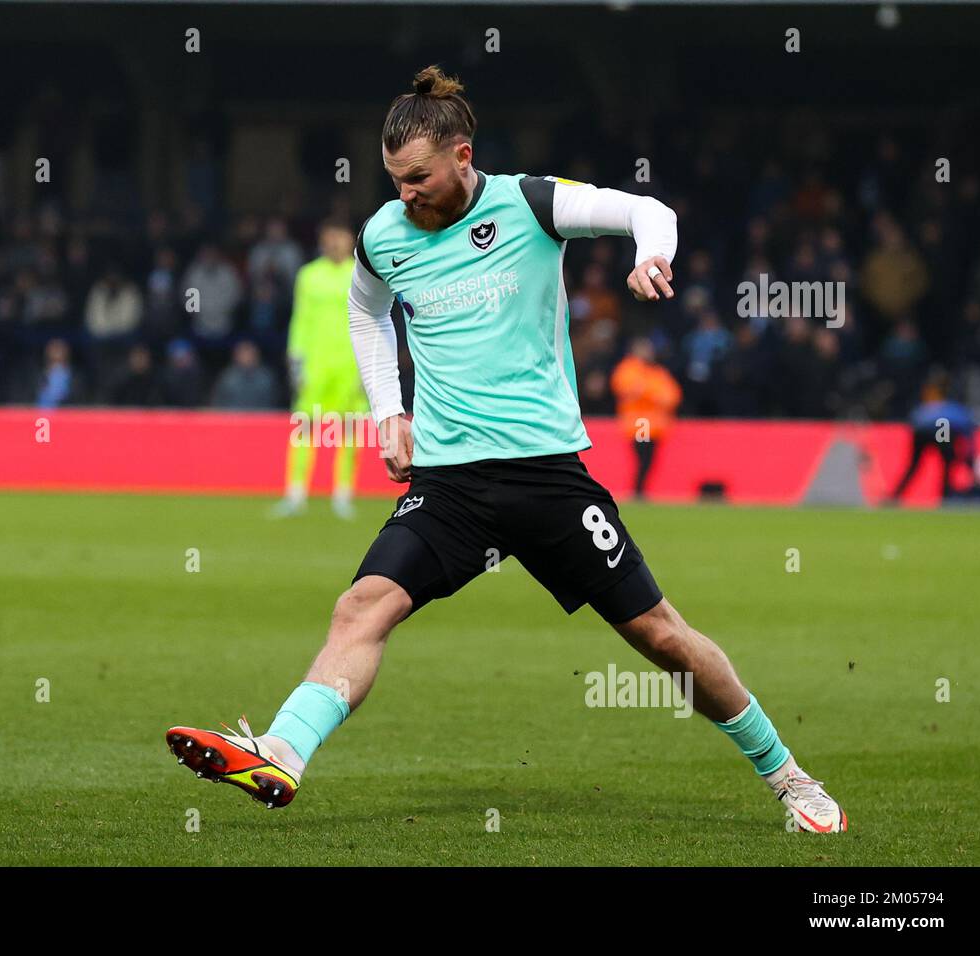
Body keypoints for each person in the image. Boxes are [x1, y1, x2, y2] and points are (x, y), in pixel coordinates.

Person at [165, 66, 846, 833]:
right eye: (393, 180)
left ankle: (791, 778)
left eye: (418, 177)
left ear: (462, 155)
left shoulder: (530, 202)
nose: (405, 195)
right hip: (449, 485)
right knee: (361, 608)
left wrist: (650, 254)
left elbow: (648, 209)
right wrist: (390, 411)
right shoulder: (384, 236)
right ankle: (283, 752)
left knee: (660, 635)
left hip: (547, 478)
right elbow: (366, 313)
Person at [269, 220, 372, 520]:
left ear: (351, 239)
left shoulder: (362, 273)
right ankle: (296, 493)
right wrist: (295, 359)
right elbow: (300, 319)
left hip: (350, 364)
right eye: (330, 238)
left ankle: (343, 494)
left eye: (340, 238)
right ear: (323, 241)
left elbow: (374, 320)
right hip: (316, 365)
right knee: (305, 430)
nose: (335, 243)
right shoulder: (308, 275)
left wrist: (371, 363)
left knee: (350, 431)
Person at [610, 337, 681, 498]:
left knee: (649, 459)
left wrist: (649, 393)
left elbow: (672, 396)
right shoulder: (628, 368)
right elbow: (630, 388)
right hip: (640, 424)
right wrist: (654, 395)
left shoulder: (656, 372)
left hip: (655, 426)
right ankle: (638, 490)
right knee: (643, 457)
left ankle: (640, 490)